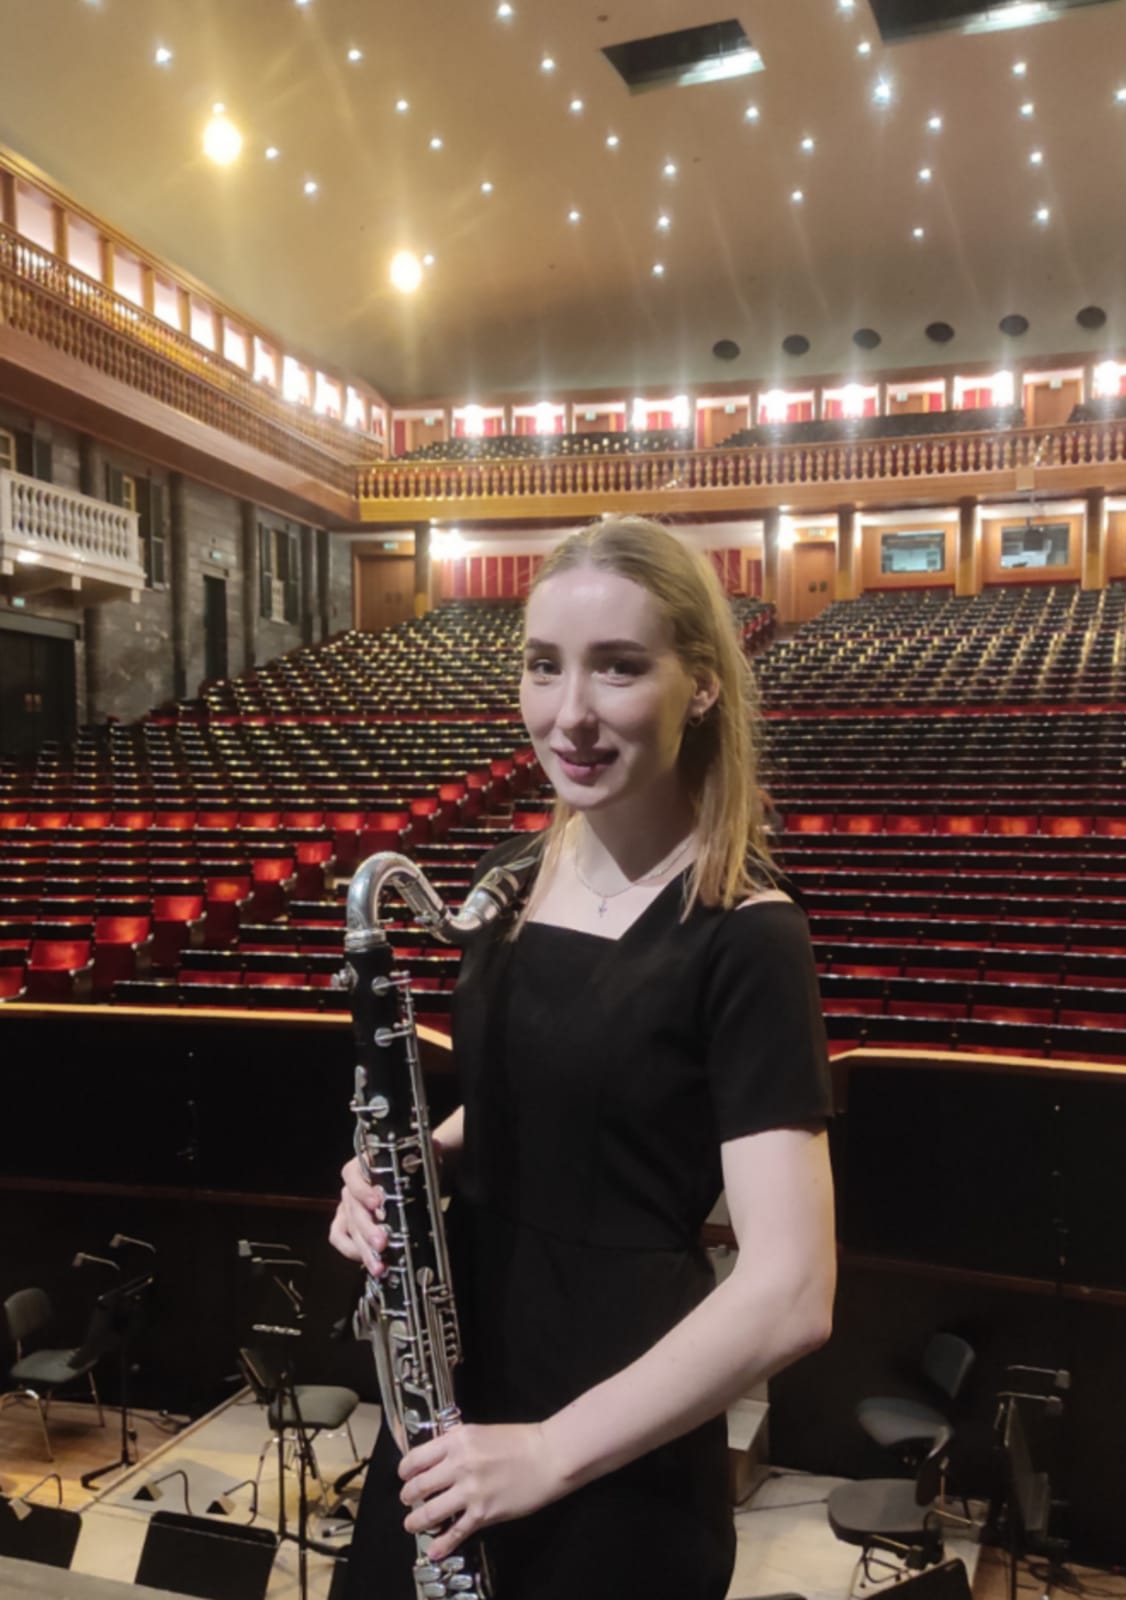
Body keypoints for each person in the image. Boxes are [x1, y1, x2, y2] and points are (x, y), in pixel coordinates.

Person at [330, 515, 836, 1599]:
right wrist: (410, 1167)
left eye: (618, 667)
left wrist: (549, 1452)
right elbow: (551, 1100)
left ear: (701, 685)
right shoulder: (507, 883)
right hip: (457, 1401)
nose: (569, 714)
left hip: (615, 1424)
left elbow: (793, 1288)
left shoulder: (748, 932)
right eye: (543, 665)